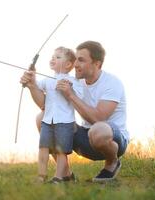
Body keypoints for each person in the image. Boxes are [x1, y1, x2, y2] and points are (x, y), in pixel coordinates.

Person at [56, 41, 129, 182]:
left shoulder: (112, 83)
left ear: (97, 64)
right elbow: (48, 109)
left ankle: (112, 163)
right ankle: (66, 174)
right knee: (45, 120)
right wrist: (32, 85)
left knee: (98, 129)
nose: (75, 64)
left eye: (81, 60)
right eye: (76, 59)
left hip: (112, 140)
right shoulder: (75, 83)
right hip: (87, 138)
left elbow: (98, 118)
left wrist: (71, 95)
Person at [20, 46, 82, 183]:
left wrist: (68, 89)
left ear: (68, 64)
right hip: (47, 121)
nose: (53, 58)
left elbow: (78, 97)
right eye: (52, 56)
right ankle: (41, 176)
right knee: (43, 148)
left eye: (58, 57)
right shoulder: (47, 81)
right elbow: (36, 87)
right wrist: (30, 80)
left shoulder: (73, 81)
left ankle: (59, 177)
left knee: (61, 151)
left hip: (65, 122)